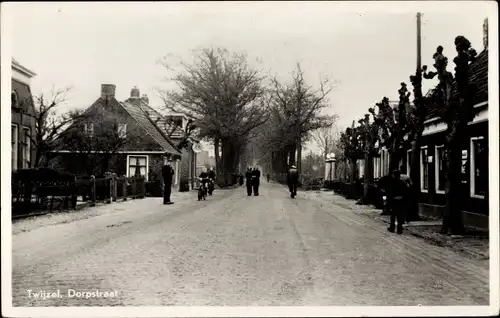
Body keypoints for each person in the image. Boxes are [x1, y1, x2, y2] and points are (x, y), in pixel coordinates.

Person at [387, 169, 410, 234]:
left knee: (393, 215)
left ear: (394, 175)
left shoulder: (391, 183)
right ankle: (399, 230)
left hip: (394, 201)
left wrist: (390, 200)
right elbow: (406, 192)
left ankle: (392, 228)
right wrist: (402, 198)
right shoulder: (402, 183)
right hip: (400, 201)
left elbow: (389, 193)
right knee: (400, 215)